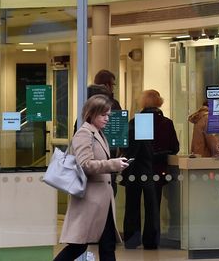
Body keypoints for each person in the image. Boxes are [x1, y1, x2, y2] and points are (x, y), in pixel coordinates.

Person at [53, 95, 130, 261]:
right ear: (92, 113)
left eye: (108, 115)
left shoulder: (97, 133)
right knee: (78, 246)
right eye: (103, 115)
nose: (107, 119)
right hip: (91, 199)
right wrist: (112, 164)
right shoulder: (84, 134)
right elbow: (85, 164)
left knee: (107, 245)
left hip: (102, 199)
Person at [123, 89, 179, 250]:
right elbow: (174, 147)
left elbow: (131, 148)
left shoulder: (137, 122)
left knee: (132, 205)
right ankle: (151, 241)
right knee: (153, 205)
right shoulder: (166, 123)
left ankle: (131, 239)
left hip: (136, 170)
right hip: (157, 170)